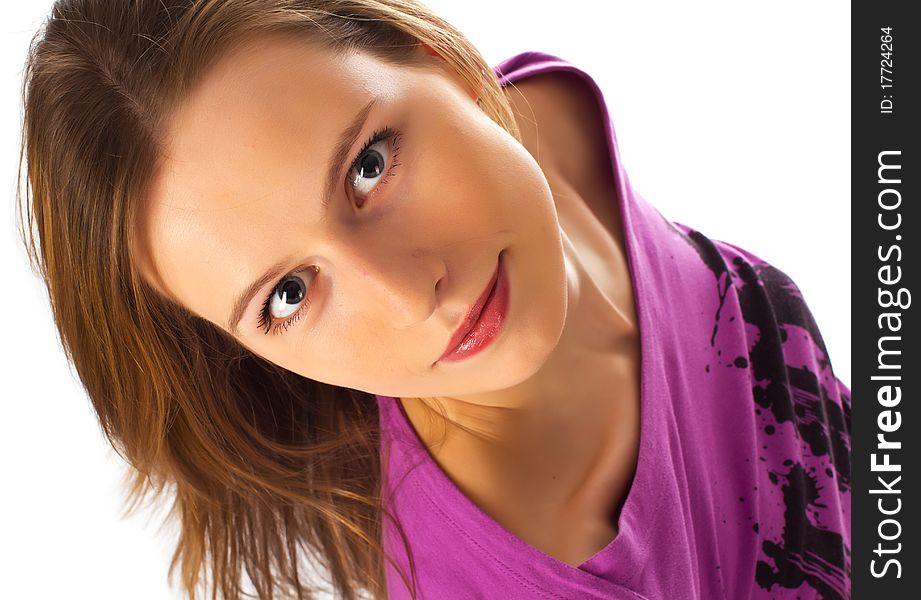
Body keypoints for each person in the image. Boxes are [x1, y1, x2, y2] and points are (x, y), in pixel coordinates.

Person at [16, 1, 850, 599]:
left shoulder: (554, 119)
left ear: (438, 61)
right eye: (289, 294)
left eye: (368, 167)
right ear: (247, 352)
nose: (411, 294)